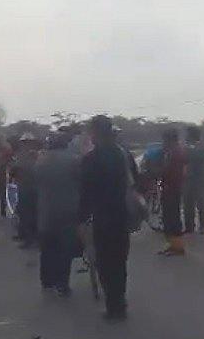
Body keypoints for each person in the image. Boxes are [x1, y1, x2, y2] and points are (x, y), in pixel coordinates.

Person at [80, 115, 138, 320]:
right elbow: (135, 182)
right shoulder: (125, 155)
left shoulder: (90, 160)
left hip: (102, 217)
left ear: (95, 133)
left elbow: (84, 193)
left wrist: (82, 219)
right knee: (120, 260)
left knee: (104, 262)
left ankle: (113, 305)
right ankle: (119, 300)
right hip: (122, 215)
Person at [35, 132, 81, 296]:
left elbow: (36, 182)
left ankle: (47, 281)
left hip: (47, 210)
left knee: (47, 247)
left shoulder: (41, 161)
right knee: (64, 248)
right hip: (69, 210)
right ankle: (62, 283)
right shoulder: (75, 160)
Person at [158, 128, 187, 256]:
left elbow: (171, 172)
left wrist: (159, 173)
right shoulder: (174, 151)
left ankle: (177, 247)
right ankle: (173, 244)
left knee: (172, 218)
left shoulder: (175, 153)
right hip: (171, 187)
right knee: (169, 217)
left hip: (172, 188)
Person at [182, 125, 204, 234]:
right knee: (187, 204)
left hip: (199, 178)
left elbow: (197, 157)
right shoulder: (187, 146)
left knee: (201, 204)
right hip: (188, 178)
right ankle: (189, 226)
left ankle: (203, 226)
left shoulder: (201, 147)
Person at [13, 134, 40, 248]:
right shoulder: (21, 155)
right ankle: (23, 234)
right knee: (22, 212)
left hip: (33, 188)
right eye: (24, 142)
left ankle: (31, 239)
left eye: (27, 142)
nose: (25, 144)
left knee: (31, 214)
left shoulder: (36, 155)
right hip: (23, 186)